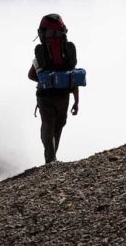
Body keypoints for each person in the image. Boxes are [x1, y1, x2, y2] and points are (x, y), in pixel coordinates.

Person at [27, 13, 79, 164]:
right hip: (64, 96)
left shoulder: (41, 53)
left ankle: (50, 160)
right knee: (58, 126)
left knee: (47, 126)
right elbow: (73, 77)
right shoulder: (67, 52)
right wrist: (76, 101)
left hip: (45, 96)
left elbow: (31, 75)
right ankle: (52, 159)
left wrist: (46, 80)